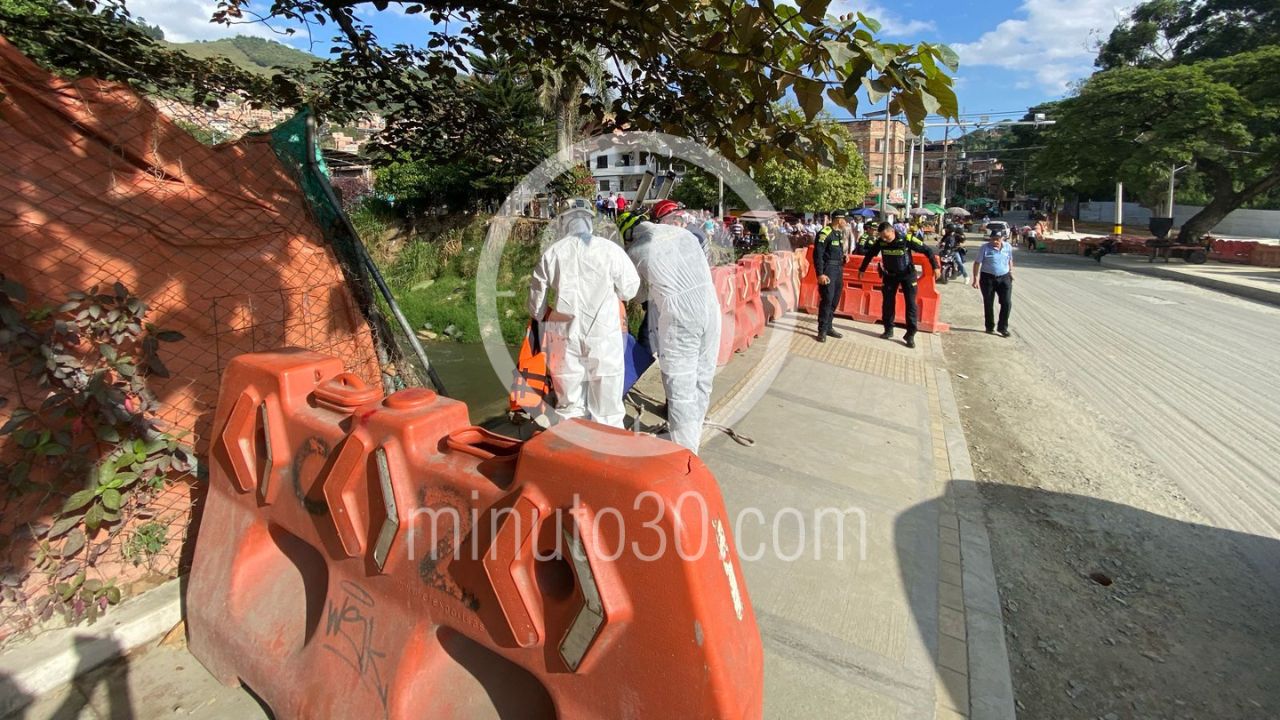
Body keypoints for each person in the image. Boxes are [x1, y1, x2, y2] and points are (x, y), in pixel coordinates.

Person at [617, 200, 721, 454]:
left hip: (680, 319)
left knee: (680, 389)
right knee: (702, 379)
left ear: (630, 235)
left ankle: (684, 455)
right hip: (711, 309)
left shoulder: (637, 251)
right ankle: (691, 433)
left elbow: (636, 295)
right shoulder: (684, 235)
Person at [528, 198, 641, 427]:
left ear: (563, 222)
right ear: (590, 220)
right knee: (607, 406)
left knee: (569, 404)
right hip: (604, 333)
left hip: (564, 334)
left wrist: (542, 315)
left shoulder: (553, 253)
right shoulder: (610, 250)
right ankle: (608, 452)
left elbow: (536, 301)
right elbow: (630, 289)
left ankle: (575, 453)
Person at [858, 221, 940, 349]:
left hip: (907, 275)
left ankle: (910, 334)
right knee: (888, 303)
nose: (885, 239)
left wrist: (936, 267)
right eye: (882, 237)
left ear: (892, 231)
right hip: (890, 275)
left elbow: (927, 250)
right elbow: (870, 254)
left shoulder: (906, 238)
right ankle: (888, 329)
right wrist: (862, 269)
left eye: (887, 236)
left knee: (911, 304)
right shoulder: (881, 241)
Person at [812, 209, 850, 343]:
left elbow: (835, 251)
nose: (846, 222)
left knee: (835, 299)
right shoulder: (825, 233)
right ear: (839, 220)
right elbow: (818, 255)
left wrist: (844, 257)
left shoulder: (838, 233)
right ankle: (822, 330)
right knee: (827, 299)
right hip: (828, 270)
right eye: (845, 220)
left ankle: (829, 326)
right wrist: (820, 274)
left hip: (838, 269)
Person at [971, 228, 1014, 337]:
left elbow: (1009, 259)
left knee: (1007, 303)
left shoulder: (1008, 247)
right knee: (989, 303)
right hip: (987, 279)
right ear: (990, 239)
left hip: (1004, 278)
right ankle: (989, 327)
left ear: (1002, 238)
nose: (995, 241)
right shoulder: (984, 248)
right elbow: (977, 263)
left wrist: (1011, 272)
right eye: (993, 239)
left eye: (997, 239)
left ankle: (1002, 328)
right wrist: (975, 278)